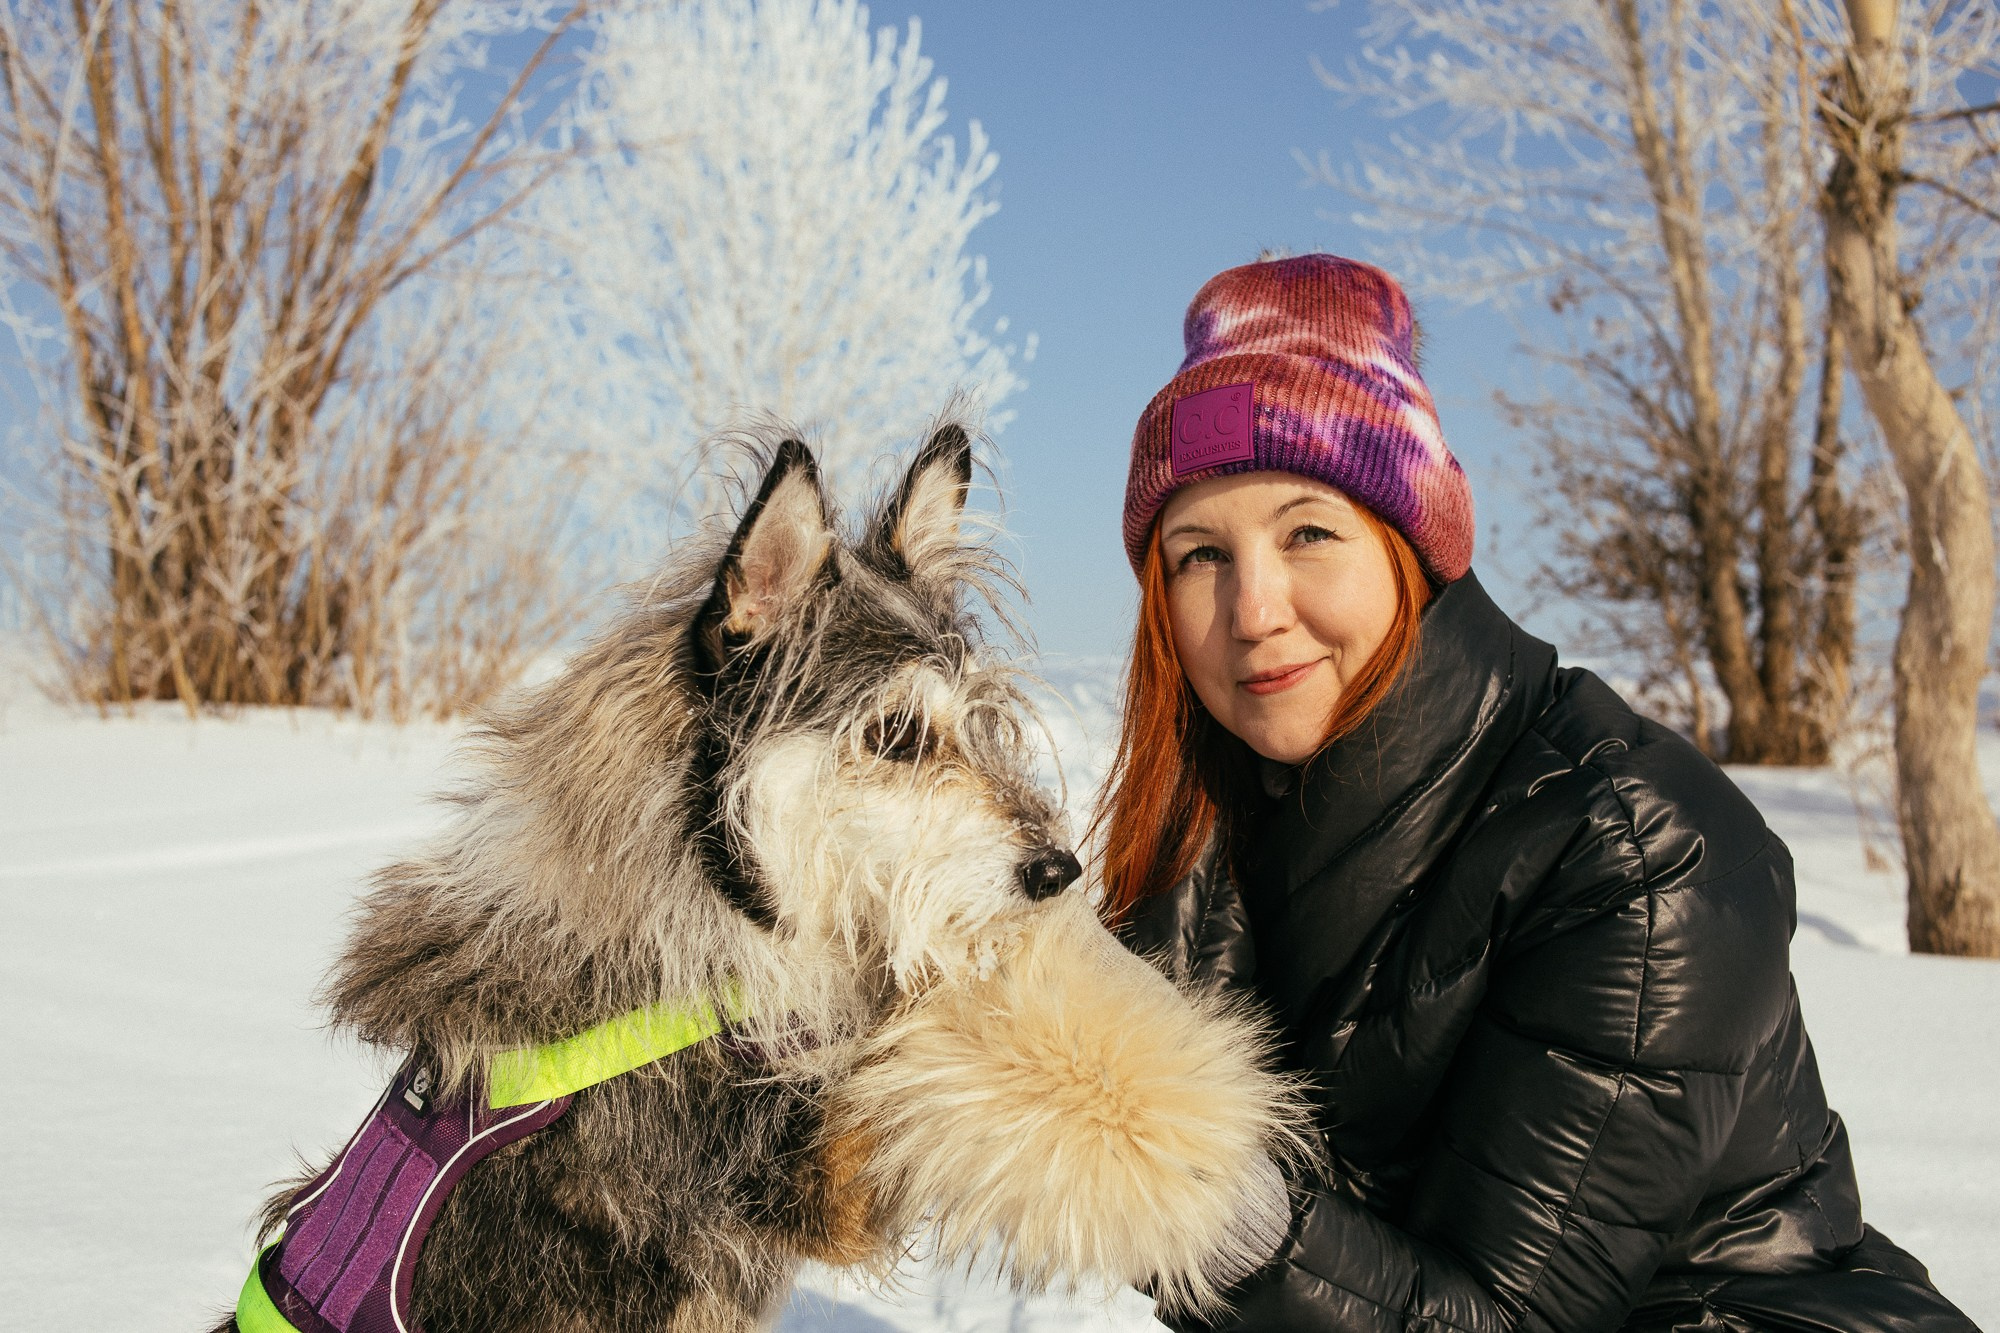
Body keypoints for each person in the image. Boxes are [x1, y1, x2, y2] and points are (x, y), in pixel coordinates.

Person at [1099, 254, 1978, 1333]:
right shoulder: (1208, 844)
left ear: (1410, 545)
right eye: (1197, 554)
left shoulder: (1635, 846)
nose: (1251, 608)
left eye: (1307, 533)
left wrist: (1175, 1184)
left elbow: (1509, 1320)